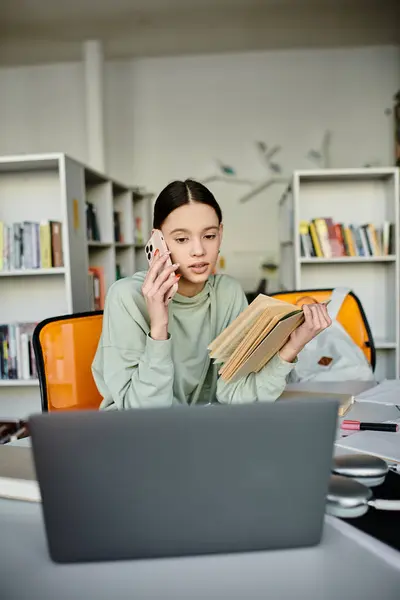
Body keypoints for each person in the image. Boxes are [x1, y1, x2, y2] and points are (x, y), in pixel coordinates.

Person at [92, 179, 331, 410]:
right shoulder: (126, 297)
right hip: (140, 436)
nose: (199, 251)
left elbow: (235, 395)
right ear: (158, 241)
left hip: (205, 430)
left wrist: (293, 346)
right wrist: (159, 327)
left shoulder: (228, 293)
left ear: (220, 234)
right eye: (182, 239)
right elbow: (142, 413)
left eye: (209, 236)